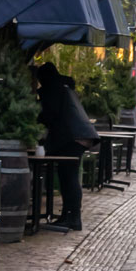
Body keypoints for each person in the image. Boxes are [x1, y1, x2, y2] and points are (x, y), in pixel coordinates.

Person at [37, 62, 97, 231]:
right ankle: (68, 215)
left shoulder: (54, 89)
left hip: (72, 138)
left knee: (69, 177)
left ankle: (73, 218)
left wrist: (37, 120)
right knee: (67, 177)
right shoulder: (64, 87)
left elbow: (50, 115)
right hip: (78, 135)